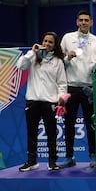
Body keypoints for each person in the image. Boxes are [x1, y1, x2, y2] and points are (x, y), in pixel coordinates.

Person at [17, 32, 67, 171]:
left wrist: (61, 98)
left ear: (54, 45)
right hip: (32, 101)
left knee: (51, 133)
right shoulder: (33, 58)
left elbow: (62, 83)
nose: (47, 44)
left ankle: (52, 162)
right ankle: (32, 161)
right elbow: (20, 66)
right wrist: (31, 53)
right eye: (45, 41)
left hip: (49, 102)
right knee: (31, 133)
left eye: (50, 42)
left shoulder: (58, 62)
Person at [60, 10, 96, 168]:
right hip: (71, 87)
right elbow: (58, 62)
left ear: (91, 22)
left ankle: (93, 156)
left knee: (91, 124)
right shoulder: (67, 38)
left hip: (89, 88)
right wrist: (67, 58)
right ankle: (69, 156)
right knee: (69, 123)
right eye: (81, 20)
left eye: (86, 20)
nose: (84, 23)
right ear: (77, 22)